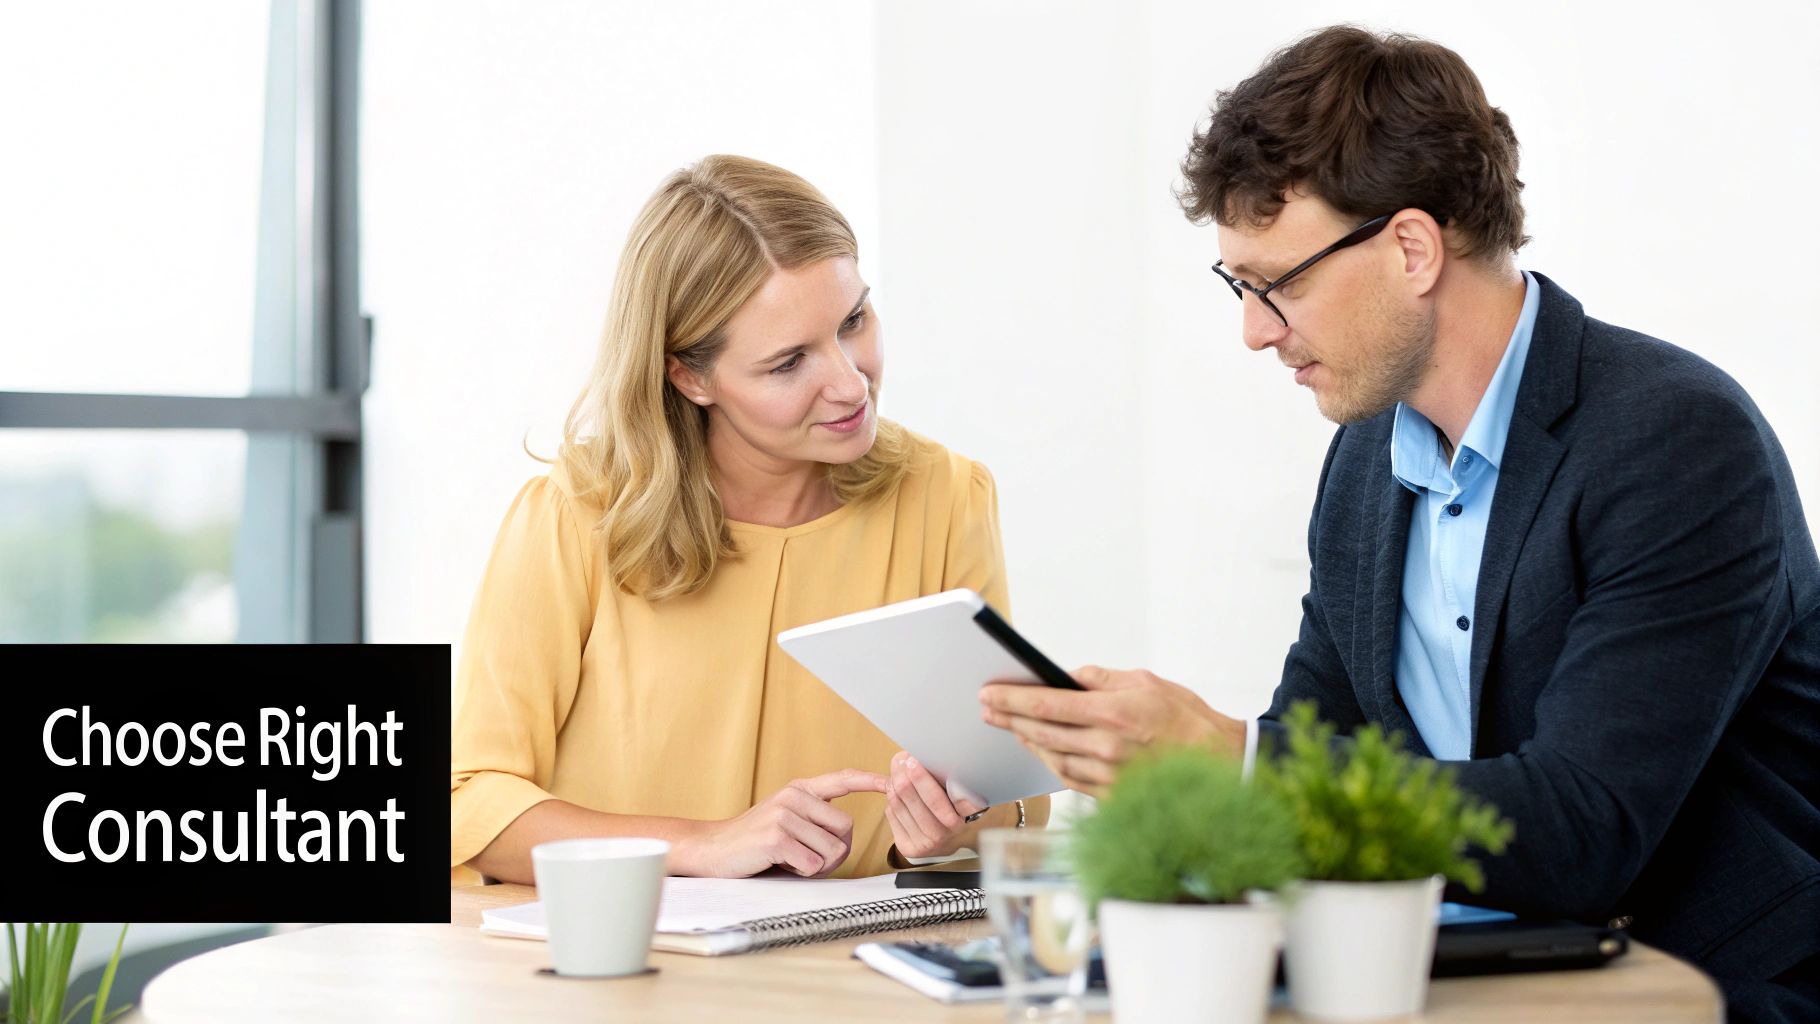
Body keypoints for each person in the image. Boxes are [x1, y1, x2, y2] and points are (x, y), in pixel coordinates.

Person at [979, 27, 1818, 1021]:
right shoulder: (1367, 461)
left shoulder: (1673, 439)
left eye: (1276, 282)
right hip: (1454, 967)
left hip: (1692, 985)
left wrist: (1223, 754)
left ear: (1410, 247)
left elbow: (1582, 828)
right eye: (1237, 287)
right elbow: (1315, 745)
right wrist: (1121, 762)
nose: (1253, 328)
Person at [451, 155, 1044, 887]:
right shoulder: (575, 515)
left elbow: (1015, 800)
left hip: (839, 972)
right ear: (690, 376)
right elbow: (470, 802)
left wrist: (942, 828)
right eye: (789, 362)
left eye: (853, 320)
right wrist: (701, 846)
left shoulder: (945, 497)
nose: (849, 382)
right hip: (621, 970)